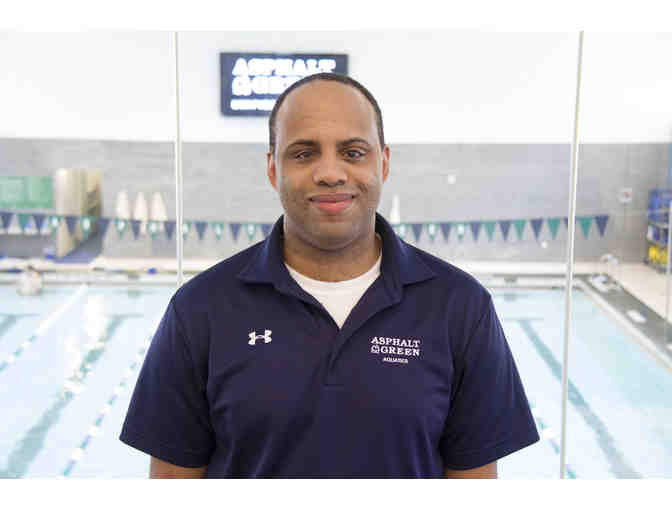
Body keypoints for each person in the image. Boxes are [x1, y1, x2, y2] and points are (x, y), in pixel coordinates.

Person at [120, 72, 540, 478]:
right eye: (304, 153)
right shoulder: (200, 309)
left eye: (353, 152)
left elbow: (475, 480)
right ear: (273, 169)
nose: (330, 173)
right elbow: (172, 480)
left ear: (383, 163)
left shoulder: (460, 307)